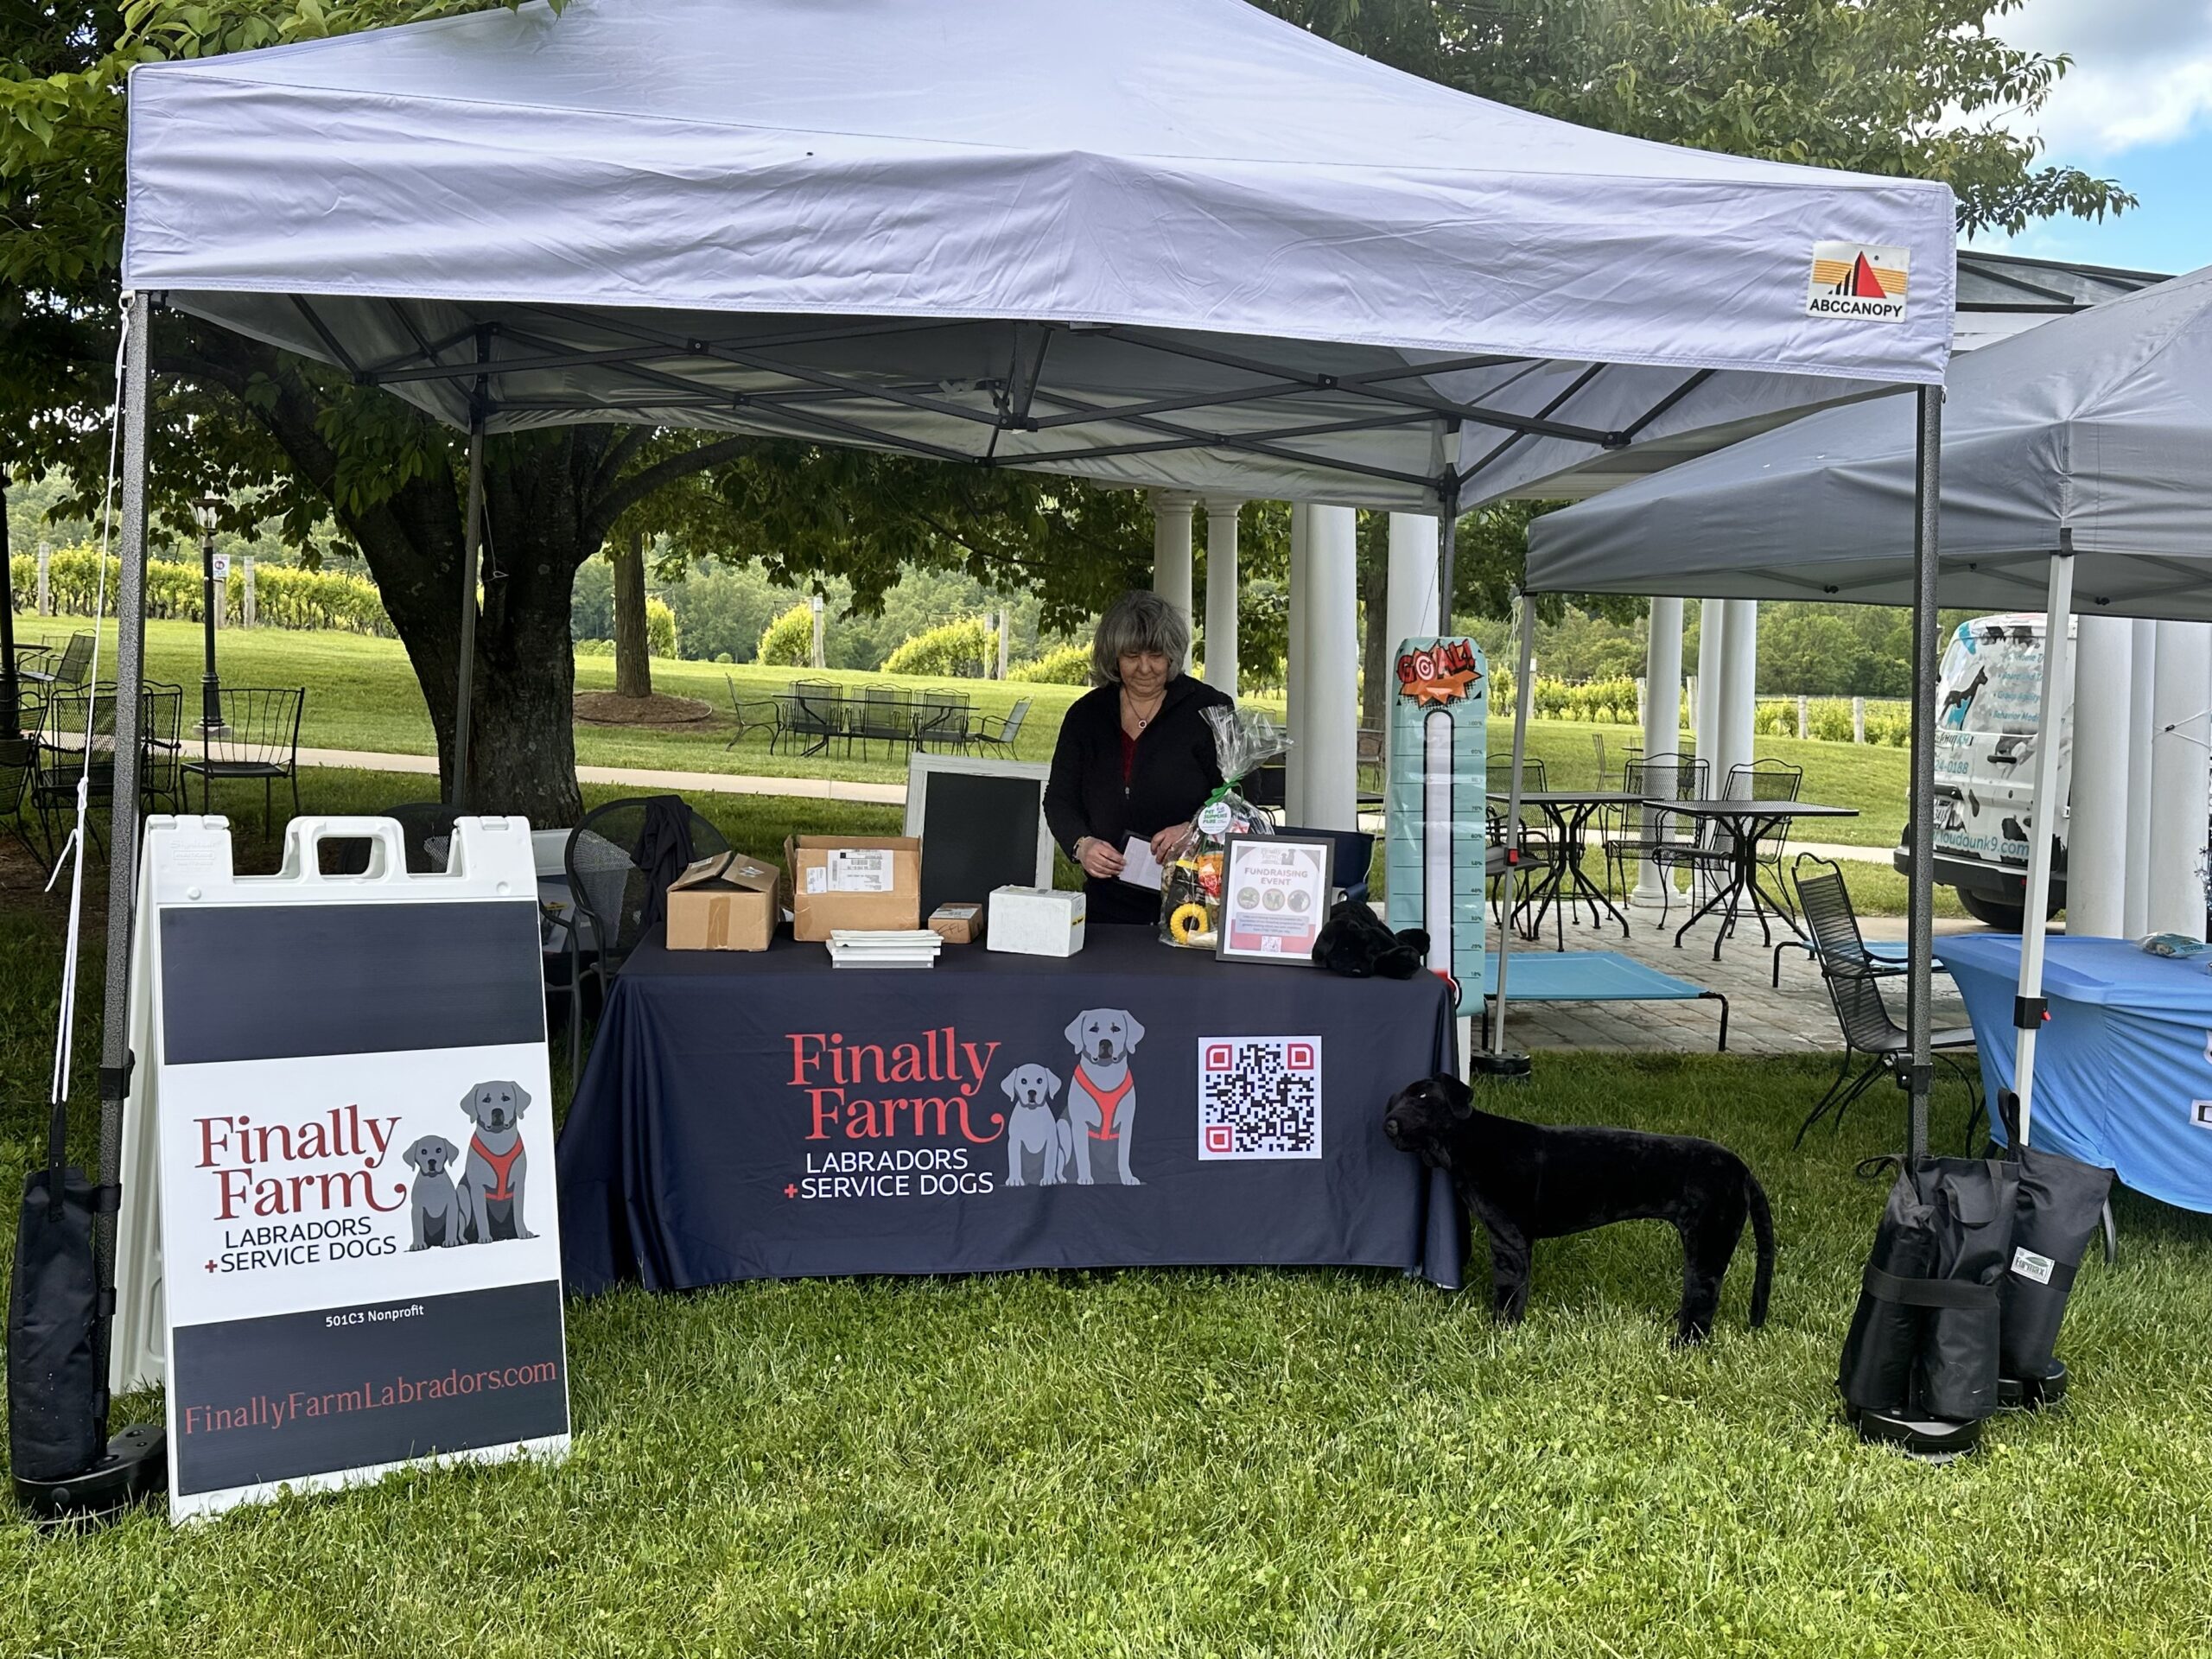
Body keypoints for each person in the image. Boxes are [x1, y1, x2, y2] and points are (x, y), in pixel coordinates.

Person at [1045, 590, 1235, 925]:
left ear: (1173, 654)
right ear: (1113, 656)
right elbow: (1059, 799)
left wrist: (1194, 829)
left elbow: (1241, 793)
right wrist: (1082, 845)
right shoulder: (1086, 715)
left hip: (1195, 900)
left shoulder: (1210, 709)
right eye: (1132, 655)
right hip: (1106, 903)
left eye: (1156, 655)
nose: (1145, 667)